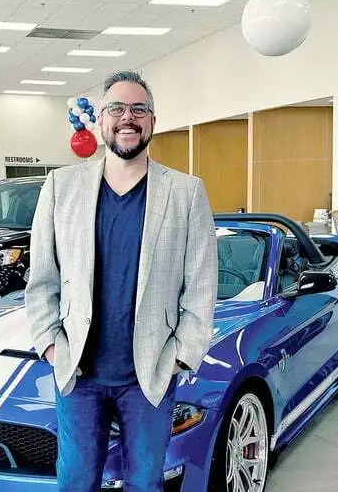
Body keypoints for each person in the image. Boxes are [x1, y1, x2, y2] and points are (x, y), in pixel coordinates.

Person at [25, 70, 218, 491]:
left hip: (149, 375)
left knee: (145, 483)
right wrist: (51, 345)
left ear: (152, 120)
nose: (127, 117)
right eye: (116, 108)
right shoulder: (61, 186)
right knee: (75, 482)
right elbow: (41, 277)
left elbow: (202, 285)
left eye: (138, 109)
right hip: (77, 372)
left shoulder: (186, 192)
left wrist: (181, 356)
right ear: (99, 119)